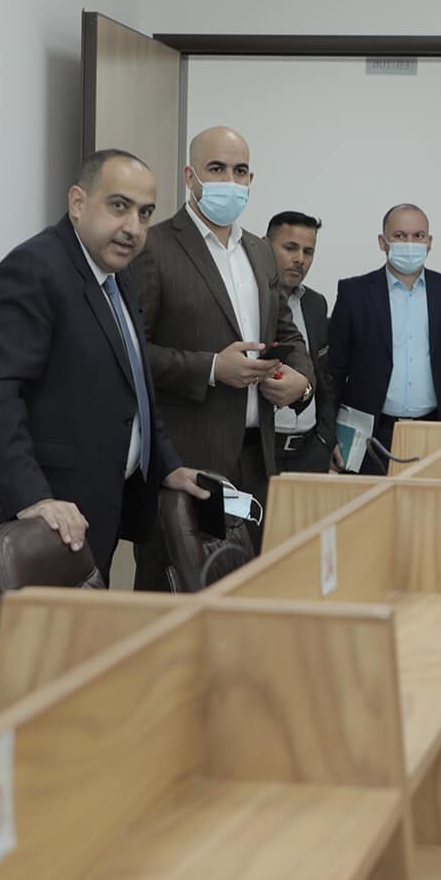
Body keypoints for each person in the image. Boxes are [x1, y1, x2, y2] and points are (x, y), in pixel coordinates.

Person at [0, 150, 209, 639]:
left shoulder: (117, 274)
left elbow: (135, 384)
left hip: (87, 514)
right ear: (78, 203)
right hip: (28, 523)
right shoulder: (33, 269)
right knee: (33, 670)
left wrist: (166, 464)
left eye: (145, 213)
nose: (133, 227)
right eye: (119, 206)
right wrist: (33, 498)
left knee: (78, 664)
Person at [128, 126, 313, 586]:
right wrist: (212, 368)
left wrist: (302, 382)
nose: (230, 181)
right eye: (217, 169)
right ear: (190, 176)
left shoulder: (260, 252)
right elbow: (131, 353)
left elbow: (287, 333)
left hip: (256, 461)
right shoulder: (153, 247)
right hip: (186, 464)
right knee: (175, 595)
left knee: (247, 594)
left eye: (240, 171)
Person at [325, 203, 441, 474]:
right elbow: (333, 374)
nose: (410, 243)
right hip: (371, 435)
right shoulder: (354, 293)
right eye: (399, 235)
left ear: (429, 243)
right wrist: (328, 436)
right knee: (369, 502)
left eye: (418, 236)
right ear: (382, 242)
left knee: (432, 501)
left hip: (437, 430)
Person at [266, 210, 338, 474]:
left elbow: (324, 375)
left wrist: (326, 438)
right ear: (265, 245)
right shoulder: (247, 298)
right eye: (290, 248)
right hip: (259, 451)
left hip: (310, 451)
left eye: (308, 252)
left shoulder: (315, 303)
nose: (299, 259)